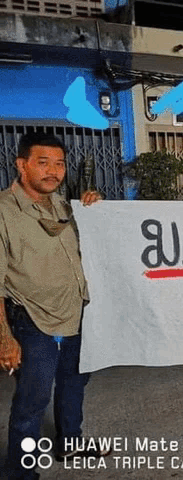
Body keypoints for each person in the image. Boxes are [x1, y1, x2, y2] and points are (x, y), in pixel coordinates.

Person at [0, 132, 106, 480]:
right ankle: (21, 471)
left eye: (59, 163)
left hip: (75, 314)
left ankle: (70, 442)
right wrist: (5, 337)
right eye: (43, 162)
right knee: (33, 401)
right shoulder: (3, 212)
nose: (53, 171)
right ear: (21, 165)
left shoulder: (66, 206)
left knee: (74, 383)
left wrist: (95, 211)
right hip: (33, 320)